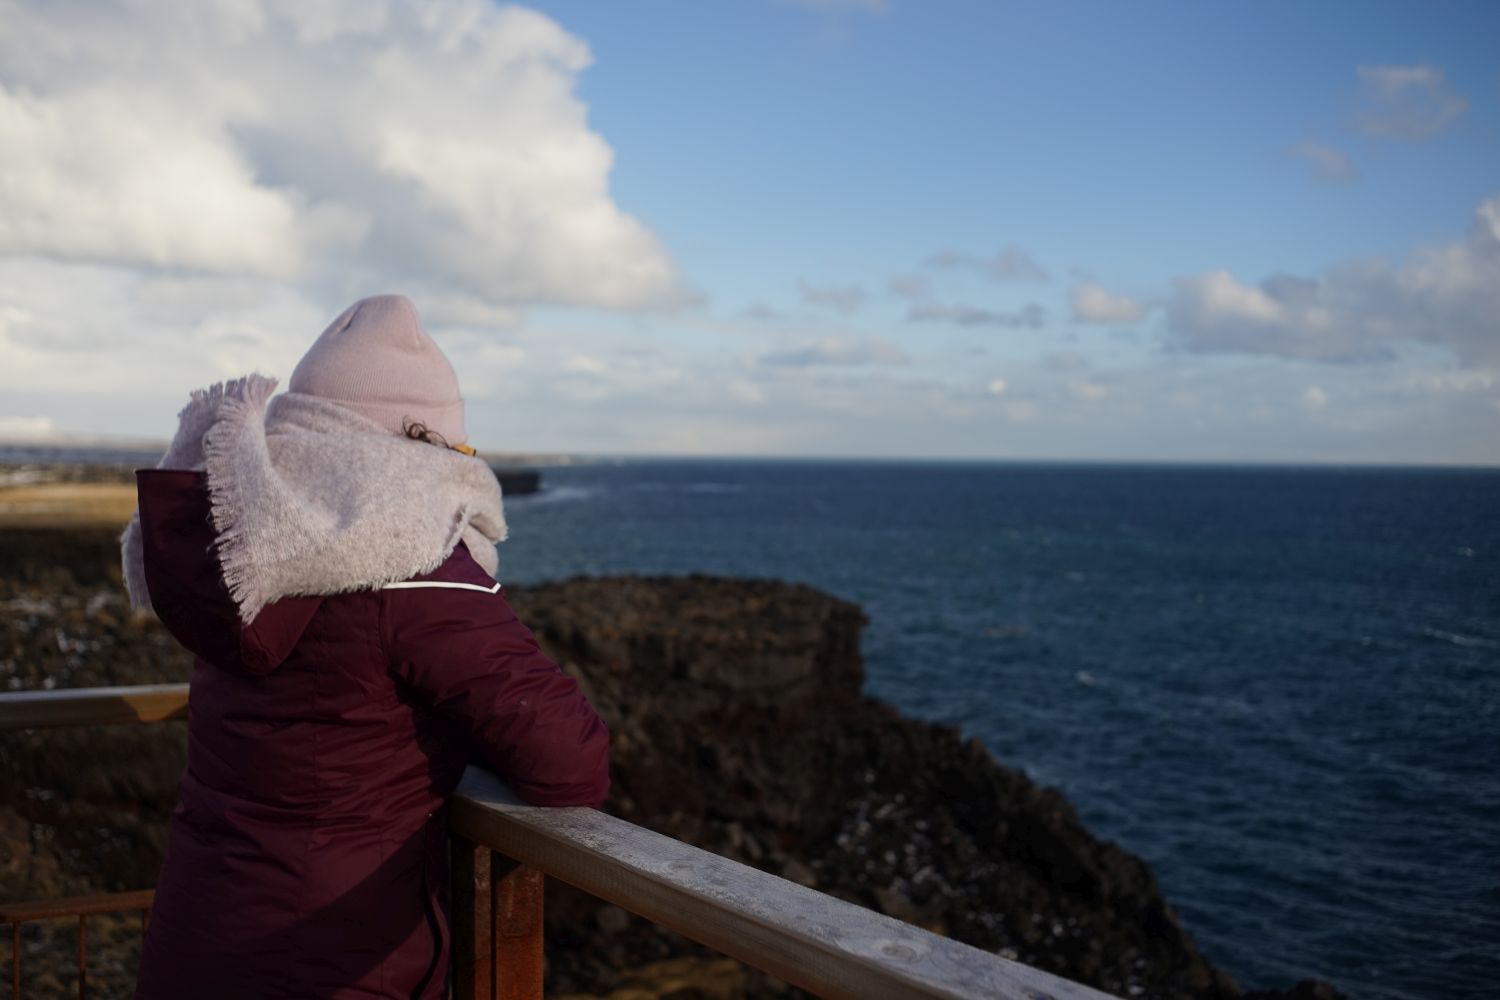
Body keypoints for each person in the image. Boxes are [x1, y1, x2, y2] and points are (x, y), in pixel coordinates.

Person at [121, 294, 610, 999]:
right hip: (335, 960)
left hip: (197, 941)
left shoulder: (245, 543)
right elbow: (570, 763)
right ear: (421, 443)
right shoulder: (413, 563)